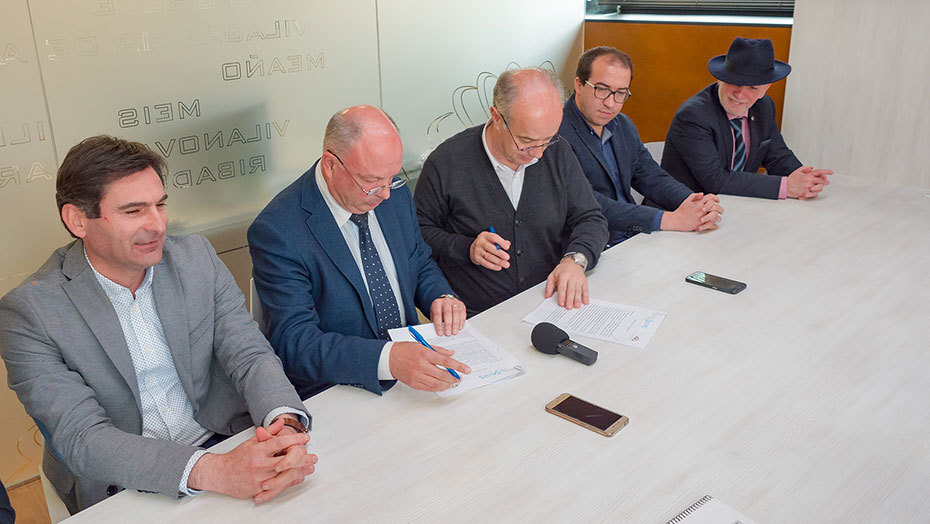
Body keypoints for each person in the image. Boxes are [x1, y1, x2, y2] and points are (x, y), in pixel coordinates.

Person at [0, 136, 316, 514]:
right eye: (134, 211)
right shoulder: (30, 312)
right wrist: (216, 471)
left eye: (160, 205)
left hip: (224, 440)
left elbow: (249, 354)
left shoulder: (195, 258)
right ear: (78, 220)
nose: (157, 224)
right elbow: (84, 438)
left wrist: (285, 427)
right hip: (123, 483)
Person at [248, 105, 470, 399]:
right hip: (339, 389)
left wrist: (441, 296)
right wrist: (388, 359)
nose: (386, 193)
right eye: (371, 182)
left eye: (393, 177)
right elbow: (296, 343)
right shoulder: (278, 231)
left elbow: (418, 261)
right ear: (330, 165)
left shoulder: (393, 192)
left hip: (413, 371)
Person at [415, 68, 609, 315]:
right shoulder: (446, 163)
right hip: (478, 314)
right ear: (497, 117)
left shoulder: (558, 152)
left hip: (548, 303)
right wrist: (466, 248)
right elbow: (418, 235)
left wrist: (575, 259)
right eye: (526, 142)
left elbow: (590, 218)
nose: (538, 154)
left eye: (548, 139)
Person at [560, 46, 723, 246]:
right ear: (579, 85)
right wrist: (668, 219)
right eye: (601, 90)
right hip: (589, 245)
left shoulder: (623, 125)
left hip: (632, 238)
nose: (611, 103)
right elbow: (587, 202)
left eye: (620, 93)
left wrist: (694, 203)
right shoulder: (556, 133)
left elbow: (650, 175)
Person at [662, 37, 832, 200]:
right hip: (685, 210)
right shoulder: (693, 116)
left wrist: (803, 178)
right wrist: (787, 186)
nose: (740, 94)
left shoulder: (764, 106)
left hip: (737, 206)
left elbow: (777, 155)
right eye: (735, 82)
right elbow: (715, 180)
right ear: (720, 79)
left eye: (752, 87)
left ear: (765, 88)